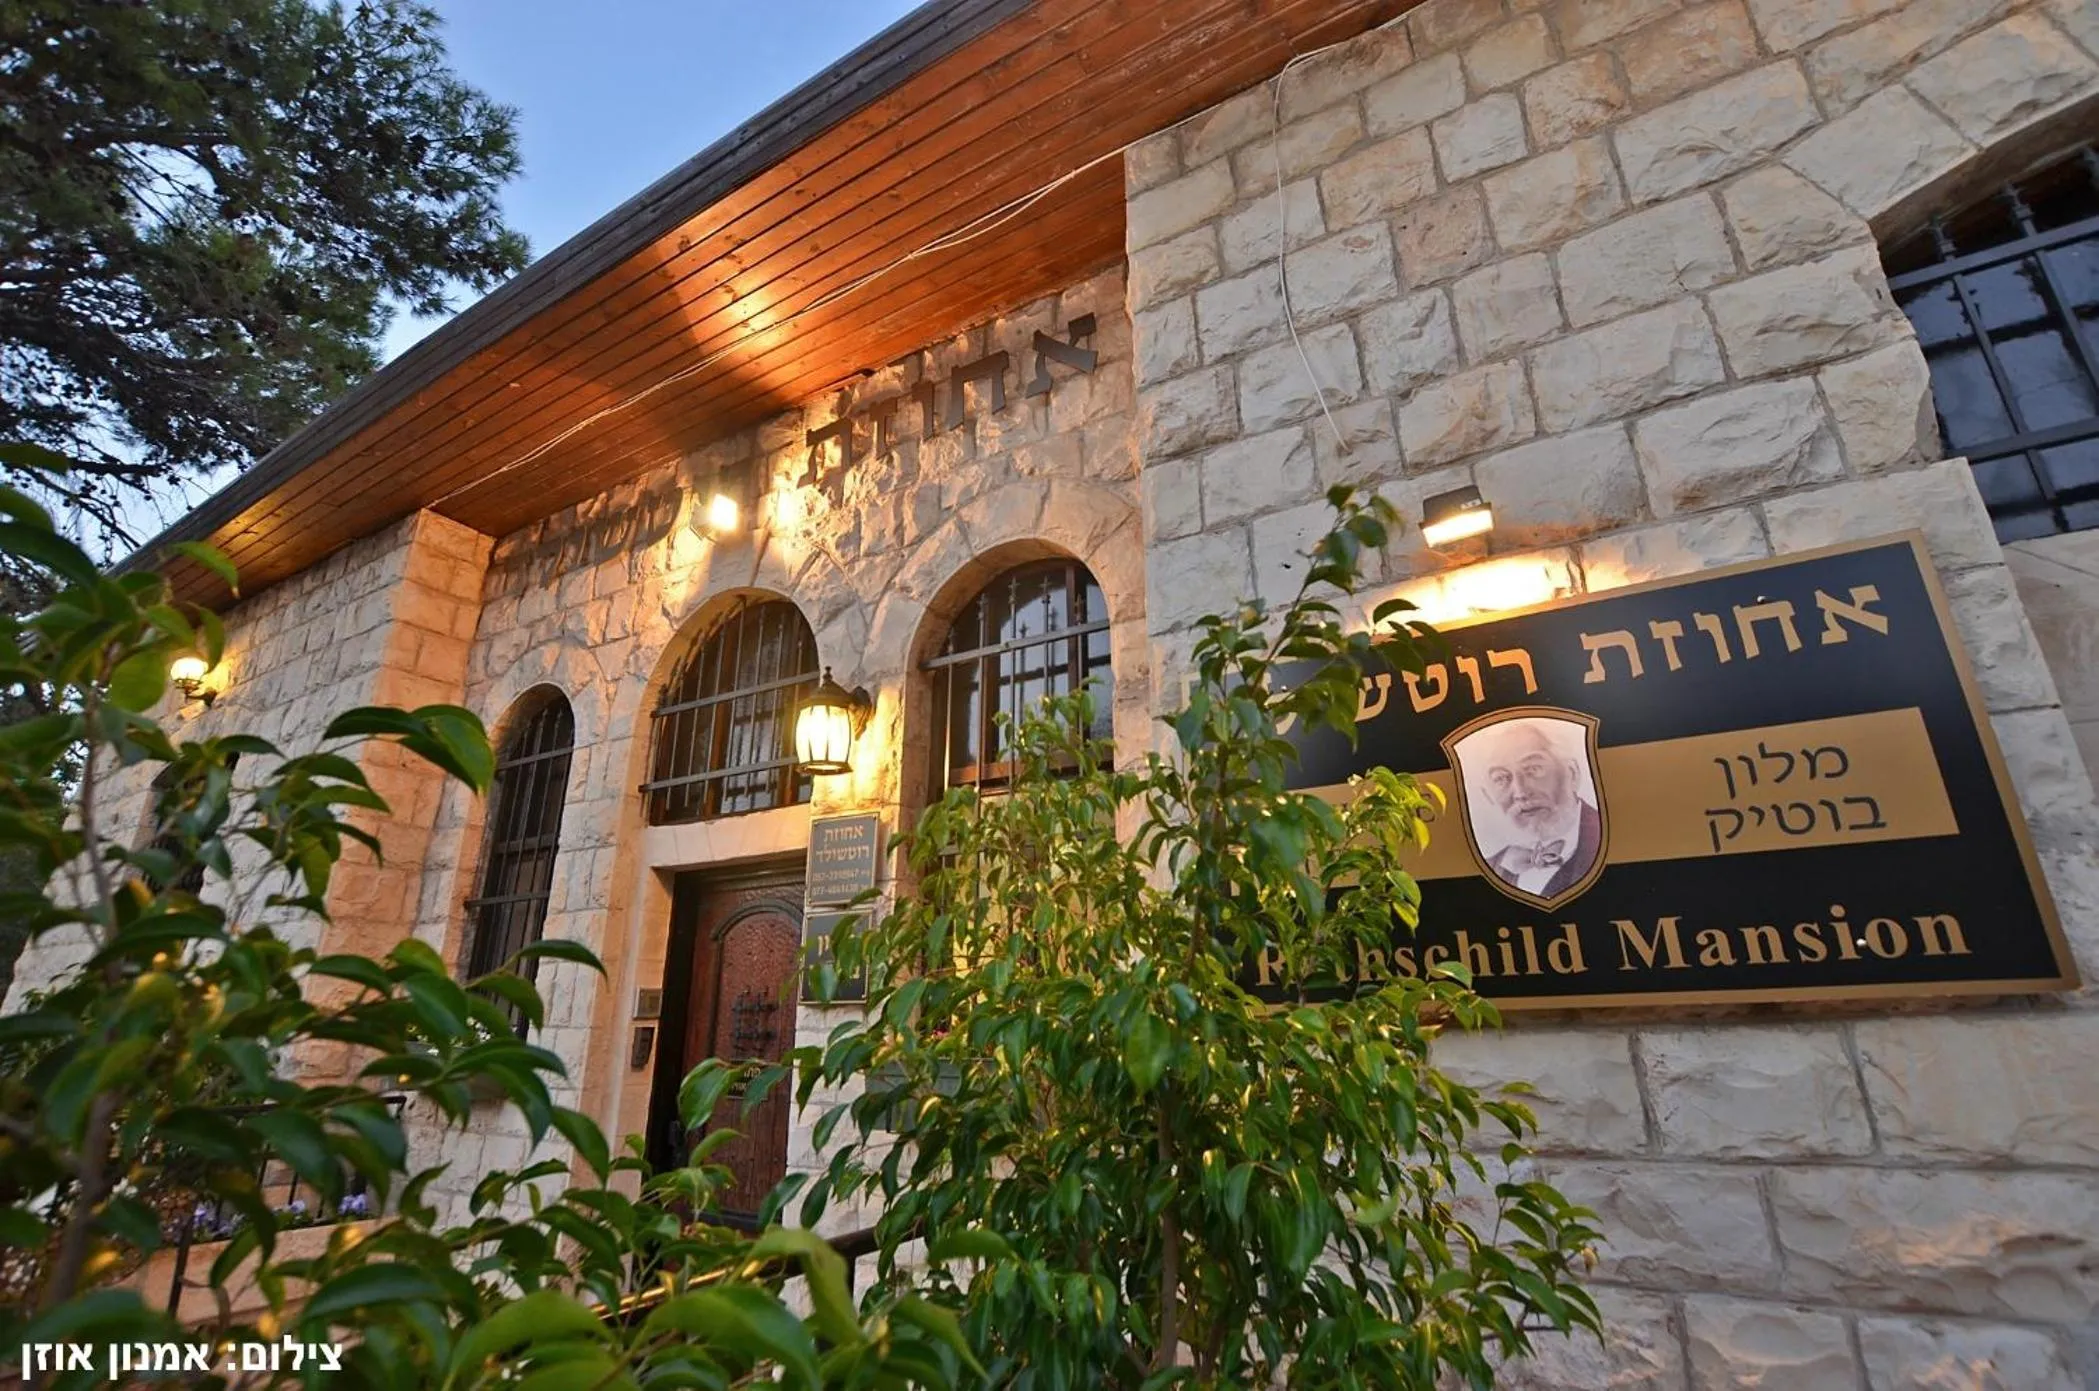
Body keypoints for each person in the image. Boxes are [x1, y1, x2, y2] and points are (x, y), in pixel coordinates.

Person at [1473, 721, 1602, 899]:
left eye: (1533, 769)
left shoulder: (1612, 841)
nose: (1520, 793)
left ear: (1572, 773)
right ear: (1488, 795)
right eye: (1501, 778)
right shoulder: (1490, 867)